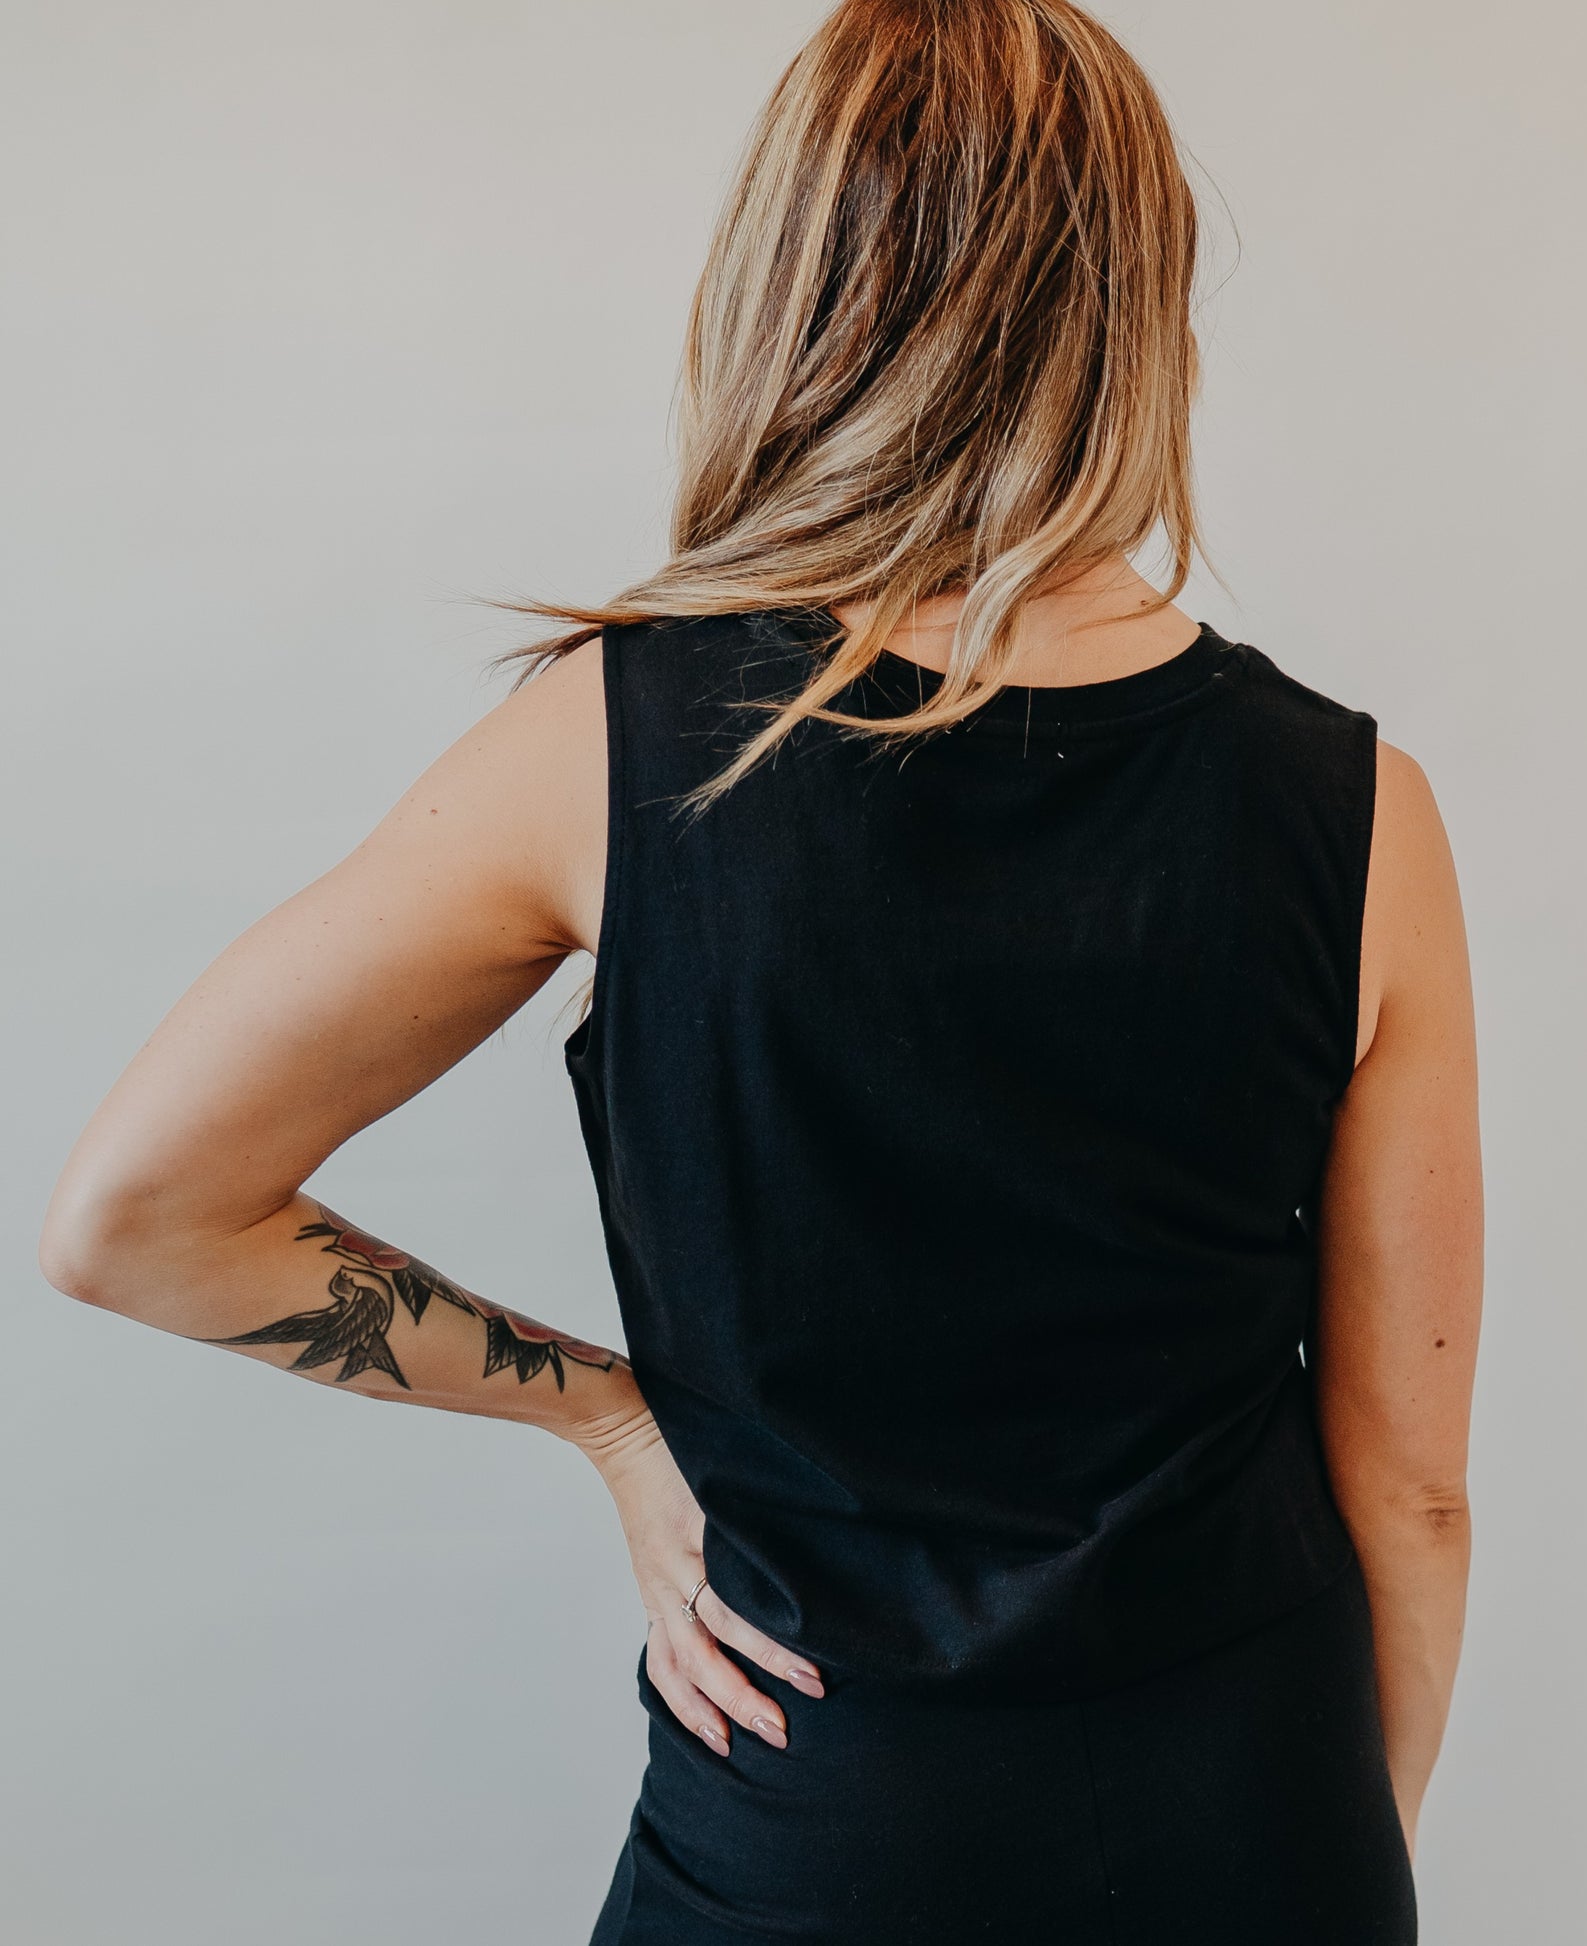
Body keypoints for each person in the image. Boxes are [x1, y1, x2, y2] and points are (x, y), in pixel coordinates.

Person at [39, 1, 1482, 1940]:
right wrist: (1348, 1855)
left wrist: (606, 1413)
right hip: (1254, 1817)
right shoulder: (1360, 810)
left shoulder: (615, 748)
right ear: (1137, 311)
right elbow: (1410, 1490)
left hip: (811, 1833)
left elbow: (135, 1215)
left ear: (792, 288)